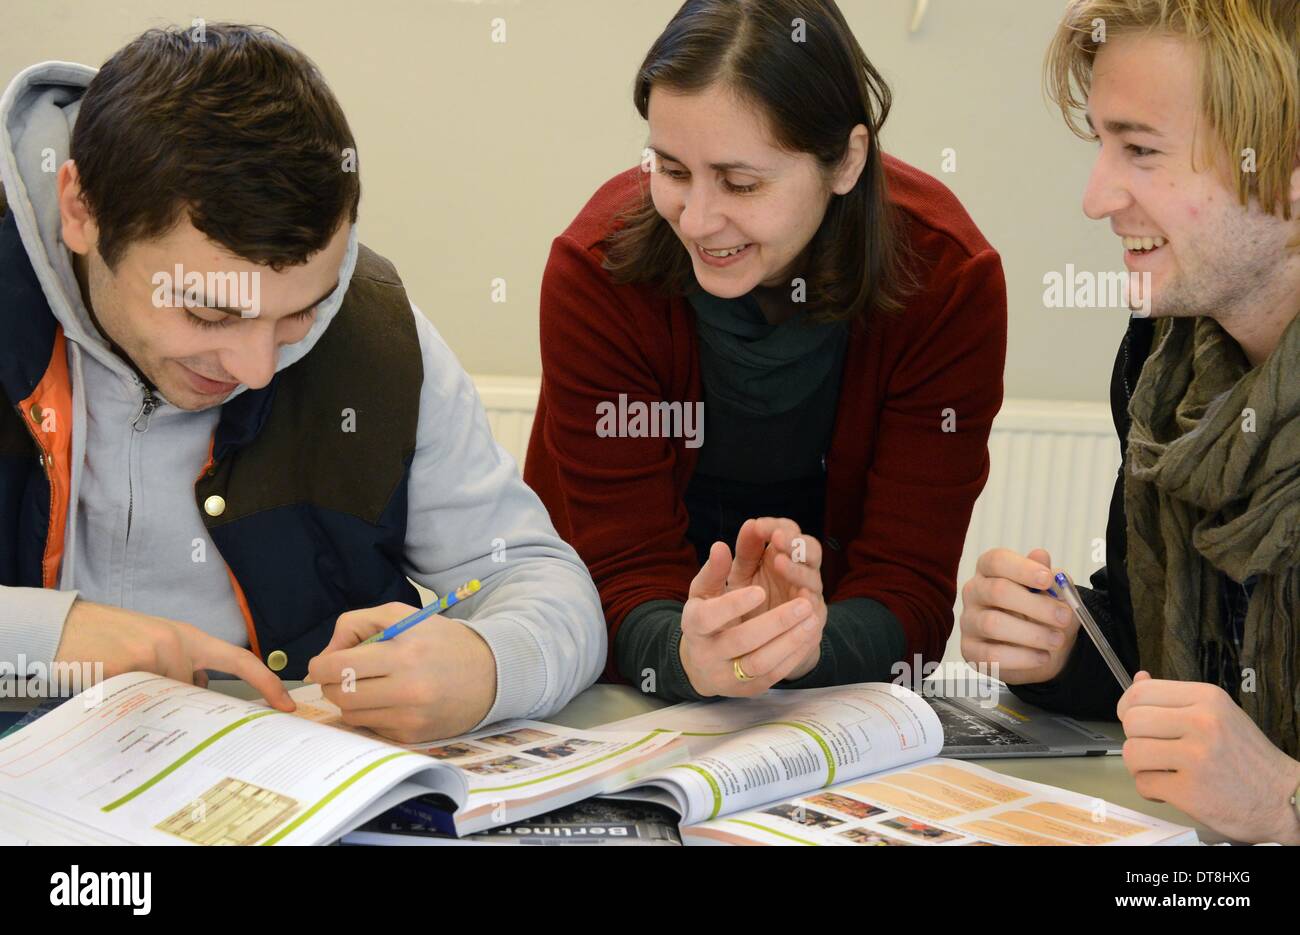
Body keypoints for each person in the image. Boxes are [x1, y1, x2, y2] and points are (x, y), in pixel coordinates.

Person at [0, 24, 604, 743]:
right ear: (81, 210)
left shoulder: (377, 333)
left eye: (298, 313)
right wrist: (42, 638)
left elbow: (542, 580)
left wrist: (488, 663)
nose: (258, 368)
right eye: (207, 311)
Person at [524, 0, 1007, 702]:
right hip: (624, 683)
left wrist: (800, 644)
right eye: (670, 169)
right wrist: (689, 652)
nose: (696, 220)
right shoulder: (598, 273)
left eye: (741, 183)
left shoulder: (944, 280)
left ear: (846, 160)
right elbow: (616, 576)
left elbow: (910, 592)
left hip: (824, 699)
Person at [959, 0, 1300, 843]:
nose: (1095, 197)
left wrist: (1281, 800)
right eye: (1103, 147)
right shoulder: (1161, 359)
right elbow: (1153, 651)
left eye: (1141, 150)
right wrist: (1063, 646)